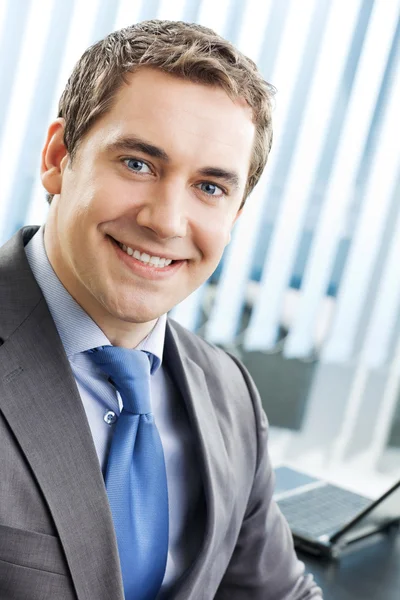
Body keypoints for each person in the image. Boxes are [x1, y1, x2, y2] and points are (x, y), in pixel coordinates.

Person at [0, 19, 323, 600]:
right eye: (138, 164)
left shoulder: (229, 394)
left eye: (210, 188)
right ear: (57, 156)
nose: (167, 221)